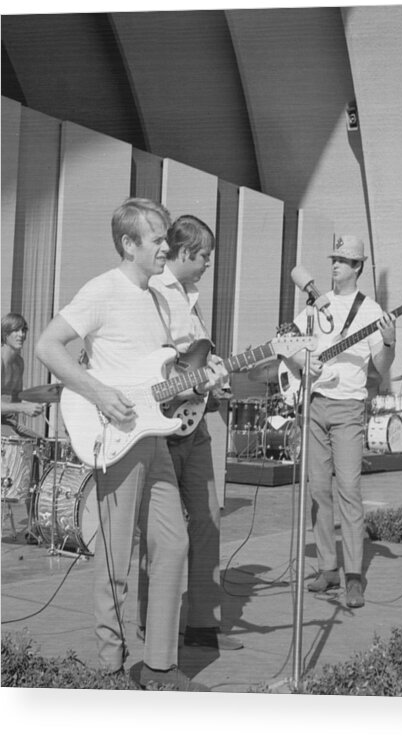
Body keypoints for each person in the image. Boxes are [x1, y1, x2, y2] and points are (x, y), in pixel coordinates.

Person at [36, 198, 227, 690]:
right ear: (129, 243)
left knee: (174, 542)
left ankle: (159, 666)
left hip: (154, 434)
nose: (167, 246)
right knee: (117, 556)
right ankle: (112, 668)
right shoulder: (103, 290)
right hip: (114, 436)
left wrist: (199, 384)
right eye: (158, 239)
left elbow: (158, 377)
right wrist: (99, 392)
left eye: (166, 238)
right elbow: (48, 345)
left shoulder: (160, 300)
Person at [138, 214, 242, 650]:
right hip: (161, 429)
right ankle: (149, 628)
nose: (206, 265)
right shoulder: (153, 294)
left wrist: (214, 376)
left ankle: (202, 625)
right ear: (183, 253)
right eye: (203, 257)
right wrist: (194, 379)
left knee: (208, 520)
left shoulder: (189, 297)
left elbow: (194, 360)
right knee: (160, 534)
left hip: (193, 424)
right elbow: (150, 363)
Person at [287, 235, 396, 608]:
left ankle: (353, 576)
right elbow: (288, 340)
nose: (335, 265)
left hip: (349, 408)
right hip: (315, 403)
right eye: (334, 258)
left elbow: (380, 369)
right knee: (318, 490)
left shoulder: (371, 311)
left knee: (348, 490)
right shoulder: (319, 305)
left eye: (344, 261)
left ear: (359, 268)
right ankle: (327, 568)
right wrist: (304, 362)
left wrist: (390, 342)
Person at [1, 313, 45, 433]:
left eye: (23, 330)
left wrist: (33, 402)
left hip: (7, 421)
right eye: (16, 330)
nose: (21, 335)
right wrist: (23, 408)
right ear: (5, 334)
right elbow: (19, 406)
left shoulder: (19, 362)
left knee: (40, 442)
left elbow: (16, 396)